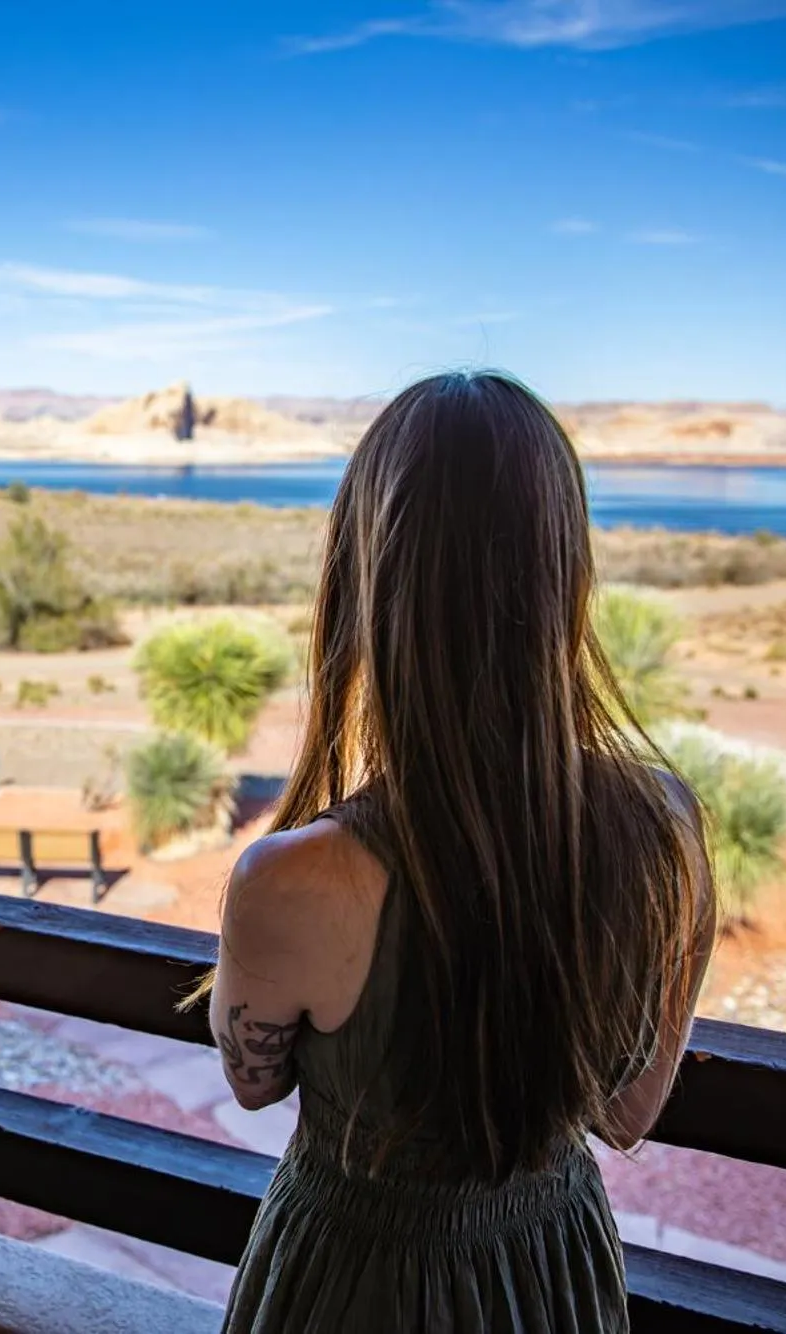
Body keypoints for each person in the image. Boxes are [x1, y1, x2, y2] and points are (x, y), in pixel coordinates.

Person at [206, 370, 716, 1332]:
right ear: (564, 574)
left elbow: (250, 1080)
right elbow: (627, 1115)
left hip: (353, 1278)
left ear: (365, 582)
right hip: (546, 1267)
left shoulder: (295, 878)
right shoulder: (664, 830)